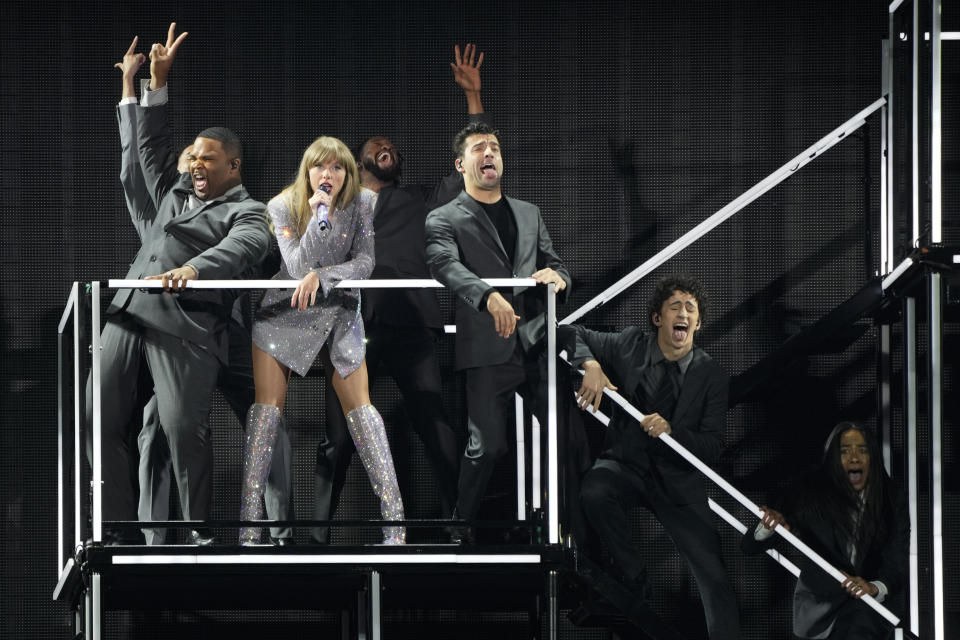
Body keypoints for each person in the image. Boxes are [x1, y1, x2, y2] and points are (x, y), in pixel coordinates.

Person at [87, 24, 272, 544]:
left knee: (181, 429)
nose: (194, 162)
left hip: (187, 321)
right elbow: (144, 150)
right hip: (130, 307)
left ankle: (195, 533)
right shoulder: (169, 196)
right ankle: (118, 530)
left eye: (206, 157)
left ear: (232, 166)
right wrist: (149, 83)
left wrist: (193, 269)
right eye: (191, 155)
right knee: (98, 417)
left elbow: (244, 249)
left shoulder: (249, 211)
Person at [312, 43, 488, 543]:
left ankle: (462, 526)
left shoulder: (421, 202)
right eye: (375, 145)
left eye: (391, 145)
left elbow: (470, 174)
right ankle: (316, 537)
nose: (385, 146)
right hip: (352, 328)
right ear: (357, 160)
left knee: (435, 426)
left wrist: (474, 98)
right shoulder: (335, 205)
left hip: (410, 324)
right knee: (339, 438)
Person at [240, 135, 405, 545]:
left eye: (337, 167)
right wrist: (319, 217)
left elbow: (366, 262)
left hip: (339, 307)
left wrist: (325, 276)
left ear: (348, 173)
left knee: (363, 413)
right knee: (265, 415)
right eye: (319, 166)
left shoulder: (364, 203)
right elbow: (296, 266)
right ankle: (249, 527)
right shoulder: (281, 207)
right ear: (307, 171)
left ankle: (395, 525)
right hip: (286, 310)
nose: (327, 174)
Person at [568, 275, 740, 639]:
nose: (683, 313)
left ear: (698, 323)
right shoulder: (631, 344)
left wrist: (673, 432)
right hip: (626, 463)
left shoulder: (711, 374)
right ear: (658, 318)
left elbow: (713, 446)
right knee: (594, 492)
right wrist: (592, 366)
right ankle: (633, 579)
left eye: (690, 309)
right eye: (675, 306)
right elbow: (571, 333)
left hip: (677, 481)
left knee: (714, 576)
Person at [424, 120, 572, 541]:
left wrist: (560, 279)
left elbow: (555, 263)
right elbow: (443, 264)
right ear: (461, 163)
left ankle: (561, 527)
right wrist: (487, 296)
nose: (489, 153)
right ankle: (460, 524)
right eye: (479, 148)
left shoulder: (529, 212)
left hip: (537, 342)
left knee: (567, 438)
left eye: (495, 147)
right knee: (487, 446)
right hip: (489, 346)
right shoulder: (444, 217)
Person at [742, 422, 908, 639]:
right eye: (845, 451)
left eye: (862, 450)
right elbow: (750, 546)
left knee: (859, 623)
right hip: (820, 611)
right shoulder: (810, 493)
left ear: (873, 458)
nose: (854, 457)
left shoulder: (893, 498)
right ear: (833, 460)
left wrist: (874, 588)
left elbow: (896, 558)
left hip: (871, 611)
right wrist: (767, 526)